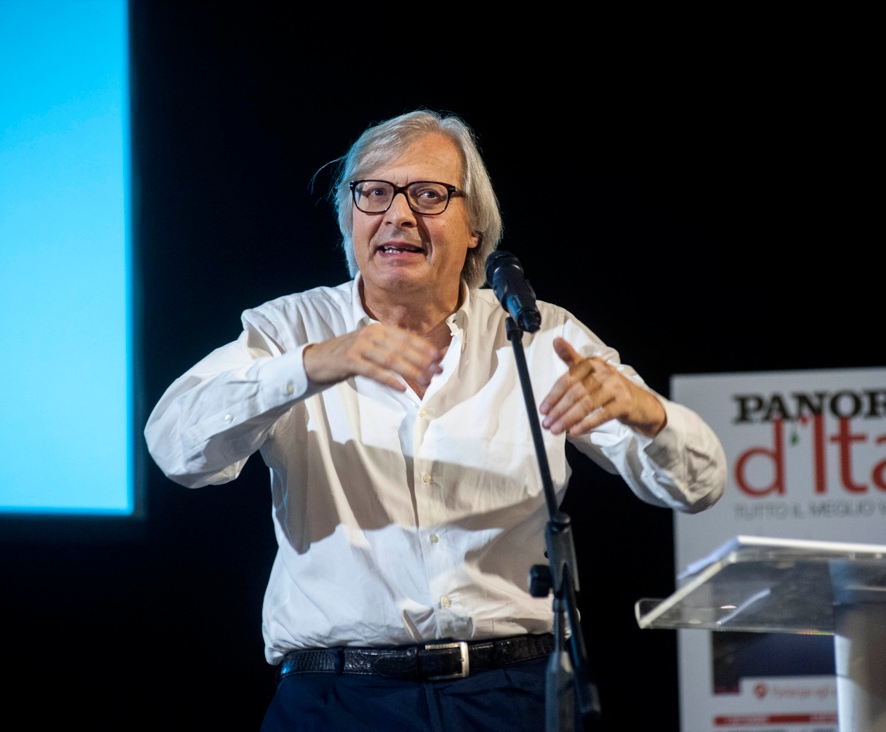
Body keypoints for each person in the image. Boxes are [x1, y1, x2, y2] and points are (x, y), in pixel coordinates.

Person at [144, 108, 727, 732]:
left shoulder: (537, 335)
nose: (397, 214)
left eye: (427, 195)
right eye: (374, 193)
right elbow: (175, 447)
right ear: (350, 217)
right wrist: (313, 364)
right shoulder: (291, 330)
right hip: (338, 700)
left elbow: (699, 485)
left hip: (513, 694)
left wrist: (649, 416)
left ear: (474, 226)